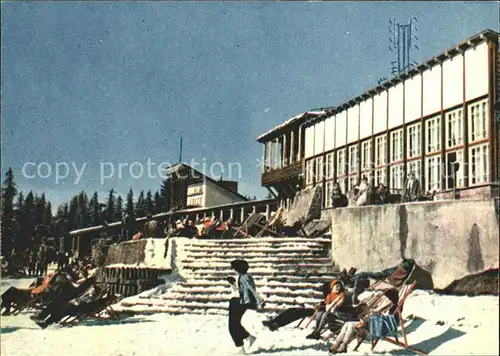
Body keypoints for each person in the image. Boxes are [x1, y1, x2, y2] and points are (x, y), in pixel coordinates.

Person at [228, 259, 260, 354]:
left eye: (234, 268)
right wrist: (233, 284)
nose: (233, 270)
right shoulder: (244, 277)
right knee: (235, 324)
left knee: (232, 326)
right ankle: (248, 338)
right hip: (239, 301)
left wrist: (259, 299)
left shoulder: (244, 277)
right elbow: (242, 289)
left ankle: (241, 347)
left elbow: (250, 289)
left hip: (238, 302)